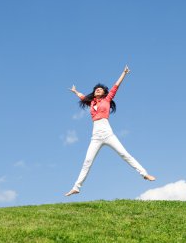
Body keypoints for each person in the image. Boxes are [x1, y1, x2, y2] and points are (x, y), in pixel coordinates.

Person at [65, 65, 155, 197]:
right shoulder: (91, 103)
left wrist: (124, 73)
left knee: (124, 154)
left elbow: (115, 86)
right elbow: (83, 97)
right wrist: (75, 91)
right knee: (87, 161)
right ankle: (76, 187)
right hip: (95, 135)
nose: (97, 90)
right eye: (96, 89)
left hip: (107, 132)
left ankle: (144, 174)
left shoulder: (107, 99)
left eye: (100, 89)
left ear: (104, 93)